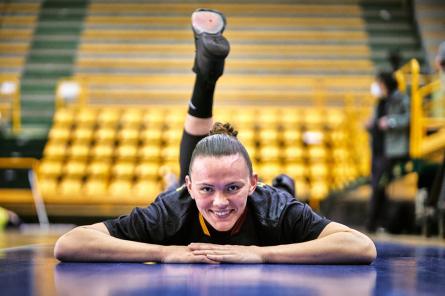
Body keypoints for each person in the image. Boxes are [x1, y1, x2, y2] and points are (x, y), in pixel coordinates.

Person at [54, 9, 376, 264]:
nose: (220, 202)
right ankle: (205, 80)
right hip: (180, 194)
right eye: (207, 189)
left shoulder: (274, 208)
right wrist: (165, 252)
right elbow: (70, 243)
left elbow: (361, 247)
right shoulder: (172, 211)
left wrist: (261, 253)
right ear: (191, 188)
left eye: (233, 188)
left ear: (253, 183)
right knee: (184, 181)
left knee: (279, 187)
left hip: (269, 196)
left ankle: (208, 85)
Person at [366, 71, 410, 232]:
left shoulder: (400, 98)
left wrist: (390, 121)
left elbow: (408, 117)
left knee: (380, 186)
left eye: (378, 83)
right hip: (377, 151)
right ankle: (375, 223)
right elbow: (376, 123)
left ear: (385, 84)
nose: (376, 86)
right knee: (377, 186)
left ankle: (376, 223)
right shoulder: (379, 102)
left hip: (389, 151)